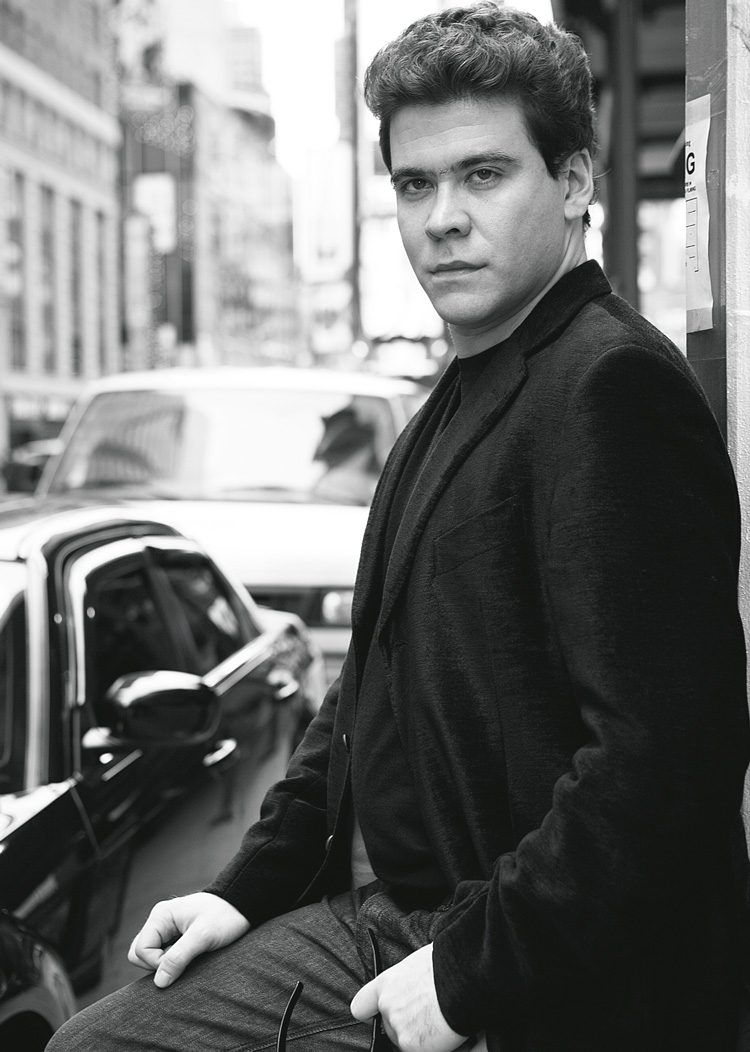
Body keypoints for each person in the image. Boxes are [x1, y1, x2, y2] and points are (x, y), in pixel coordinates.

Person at [49, 5, 749, 1051]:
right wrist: (244, 889)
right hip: (390, 921)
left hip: (526, 957)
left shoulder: (610, 387)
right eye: (415, 185)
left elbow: (666, 761)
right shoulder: (455, 395)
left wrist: (468, 975)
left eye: (483, 174)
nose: (442, 218)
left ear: (573, 181)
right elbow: (362, 692)